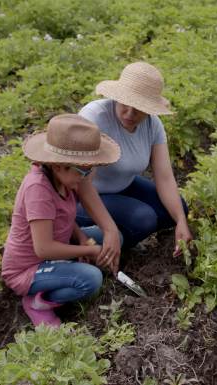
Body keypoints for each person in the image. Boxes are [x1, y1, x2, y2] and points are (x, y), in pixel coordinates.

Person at [1, 114, 121, 327]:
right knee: (91, 279)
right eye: (83, 170)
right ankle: (38, 302)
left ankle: (66, 266)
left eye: (90, 169)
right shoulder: (38, 189)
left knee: (114, 238)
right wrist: (89, 251)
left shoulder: (63, 180)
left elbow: (63, 218)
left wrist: (82, 237)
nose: (87, 177)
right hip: (29, 269)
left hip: (60, 245)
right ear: (58, 166)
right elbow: (44, 249)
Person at [76, 61, 192, 258]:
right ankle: (90, 241)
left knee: (176, 210)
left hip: (123, 185)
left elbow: (164, 177)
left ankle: (114, 236)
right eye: (125, 104)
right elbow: (80, 183)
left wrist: (181, 220)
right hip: (85, 196)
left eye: (139, 108)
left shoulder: (153, 125)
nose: (130, 113)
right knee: (143, 218)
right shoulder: (95, 118)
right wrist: (110, 228)